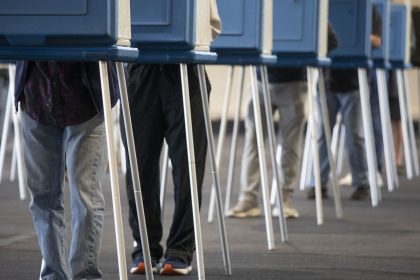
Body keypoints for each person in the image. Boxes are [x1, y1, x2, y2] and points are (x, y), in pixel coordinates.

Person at [121, 1, 221, 275]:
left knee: (188, 168)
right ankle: (145, 248)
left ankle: (180, 250)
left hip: (186, 70)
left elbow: (212, 27)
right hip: (141, 69)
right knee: (138, 168)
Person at [15, 61, 118, 279]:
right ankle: (53, 275)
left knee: (85, 197)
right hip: (36, 93)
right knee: (43, 198)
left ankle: (85, 275)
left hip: (87, 96)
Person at [308, 8, 382, 200]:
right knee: (323, 133)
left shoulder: (366, 7)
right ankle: (319, 183)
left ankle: (361, 182)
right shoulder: (325, 4)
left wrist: (354, 37)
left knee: (355, 135)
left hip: (353, 80)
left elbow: (377, 40)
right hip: (327, 79)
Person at [226, 67, 307, 219]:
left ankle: (285, 201)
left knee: (290, 146)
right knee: (252, 143)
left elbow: (330, 42)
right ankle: (248, 200)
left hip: (293, 82)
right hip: (260, 80)